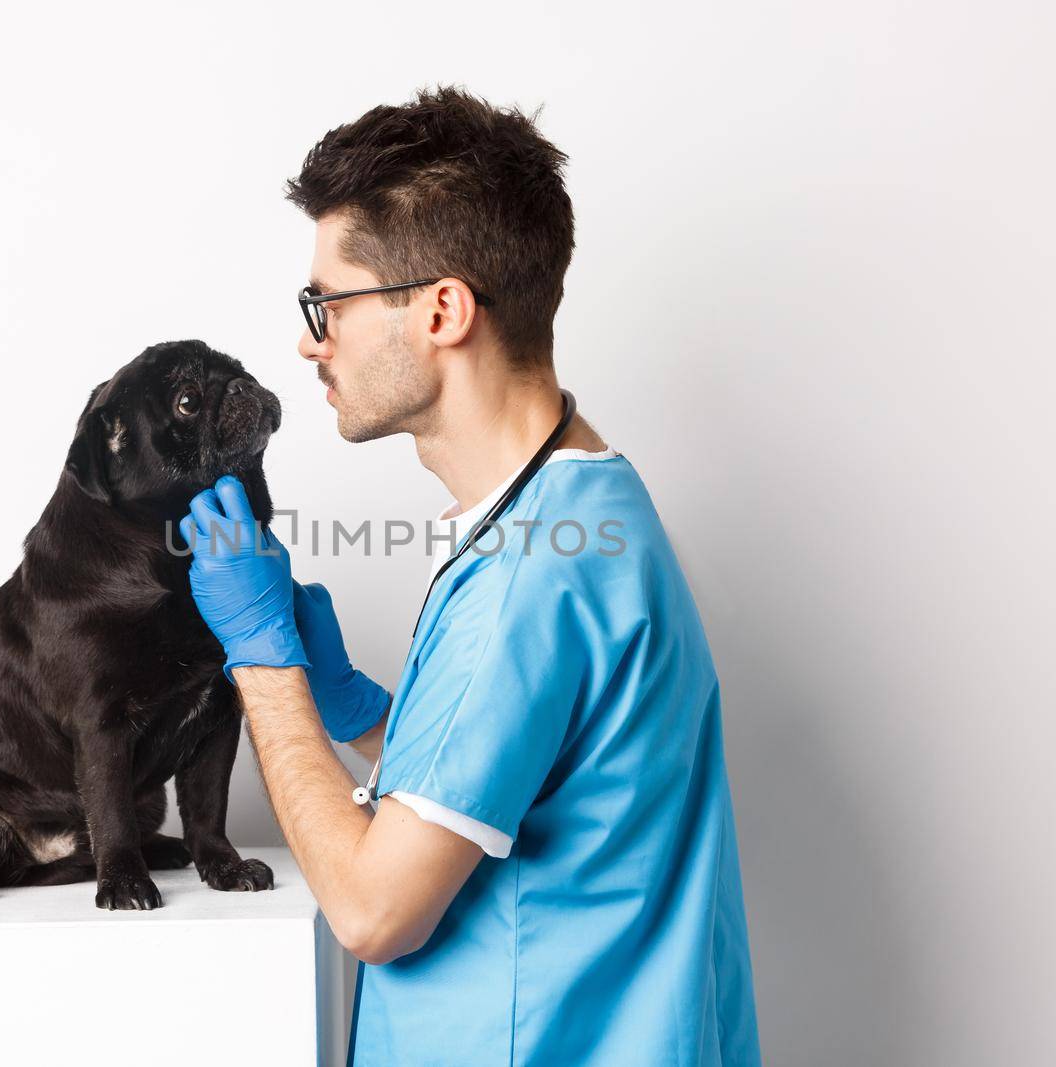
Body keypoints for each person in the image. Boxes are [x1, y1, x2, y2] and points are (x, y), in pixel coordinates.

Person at [175, 85, 761, 1066]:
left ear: (443, 309)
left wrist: (264, 665)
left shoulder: (527, 582)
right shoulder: (587, 511)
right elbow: (532, 778)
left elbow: (372, 908)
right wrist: (360, 710)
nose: (308, 340)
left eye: (328, 302)